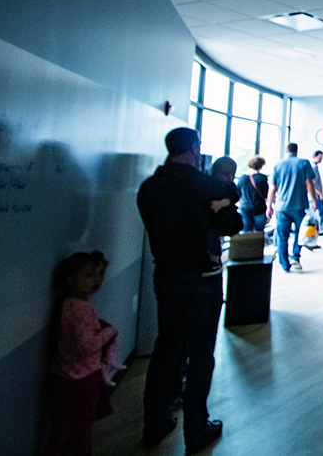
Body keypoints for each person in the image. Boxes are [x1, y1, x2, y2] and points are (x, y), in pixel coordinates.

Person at [136, 128, 240, 454]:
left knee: (165, 350)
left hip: (165, 276)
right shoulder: (205, 186)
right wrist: (221, 204)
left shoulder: (149, 188)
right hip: (203, 280)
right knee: (200, 354)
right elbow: (232, 225)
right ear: (195, 148)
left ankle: (155, 424)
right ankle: (196, 430)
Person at [44, 251, 123, 456]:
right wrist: (109, 332)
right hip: (83, 380)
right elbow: (87, 345)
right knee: (83, 430)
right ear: (71, 280)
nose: (95, 280)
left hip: (60, 376)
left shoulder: (65, 304)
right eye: (88, 275)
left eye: (96, 274)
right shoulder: (82, 308)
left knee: (59, 430)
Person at [266, 143, 317, 272]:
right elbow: (309, 183)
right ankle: (295, 257)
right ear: (296, 151)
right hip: (300, 205)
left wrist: (269, 206)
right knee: (300, 234)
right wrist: (314, 200)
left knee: (282, 236)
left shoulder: (277, 165)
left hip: (282, 207)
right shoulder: (304, 163)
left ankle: (284, 264)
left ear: (286, 151)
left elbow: (272, 188)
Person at [236, 156, 269, 235]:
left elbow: (238, 193)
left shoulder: (242, 178)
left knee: (246, 233)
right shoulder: (262, 178)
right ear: (261, 166)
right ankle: (258, 247)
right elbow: (265, 194)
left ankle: (246, 247)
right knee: (259, 233)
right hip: (259, 209)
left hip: (245, 208)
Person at [310, 150, 323, 238]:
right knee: (318, 214)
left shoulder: (315, 168)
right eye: (319, 158)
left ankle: (320, 231)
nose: (320, 160)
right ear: (314, 156)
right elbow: (312, 183)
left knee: (320, 213)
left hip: (317, 195)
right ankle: (319, 231)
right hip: (316, 196)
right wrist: (319, 193)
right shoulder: (312, 168)